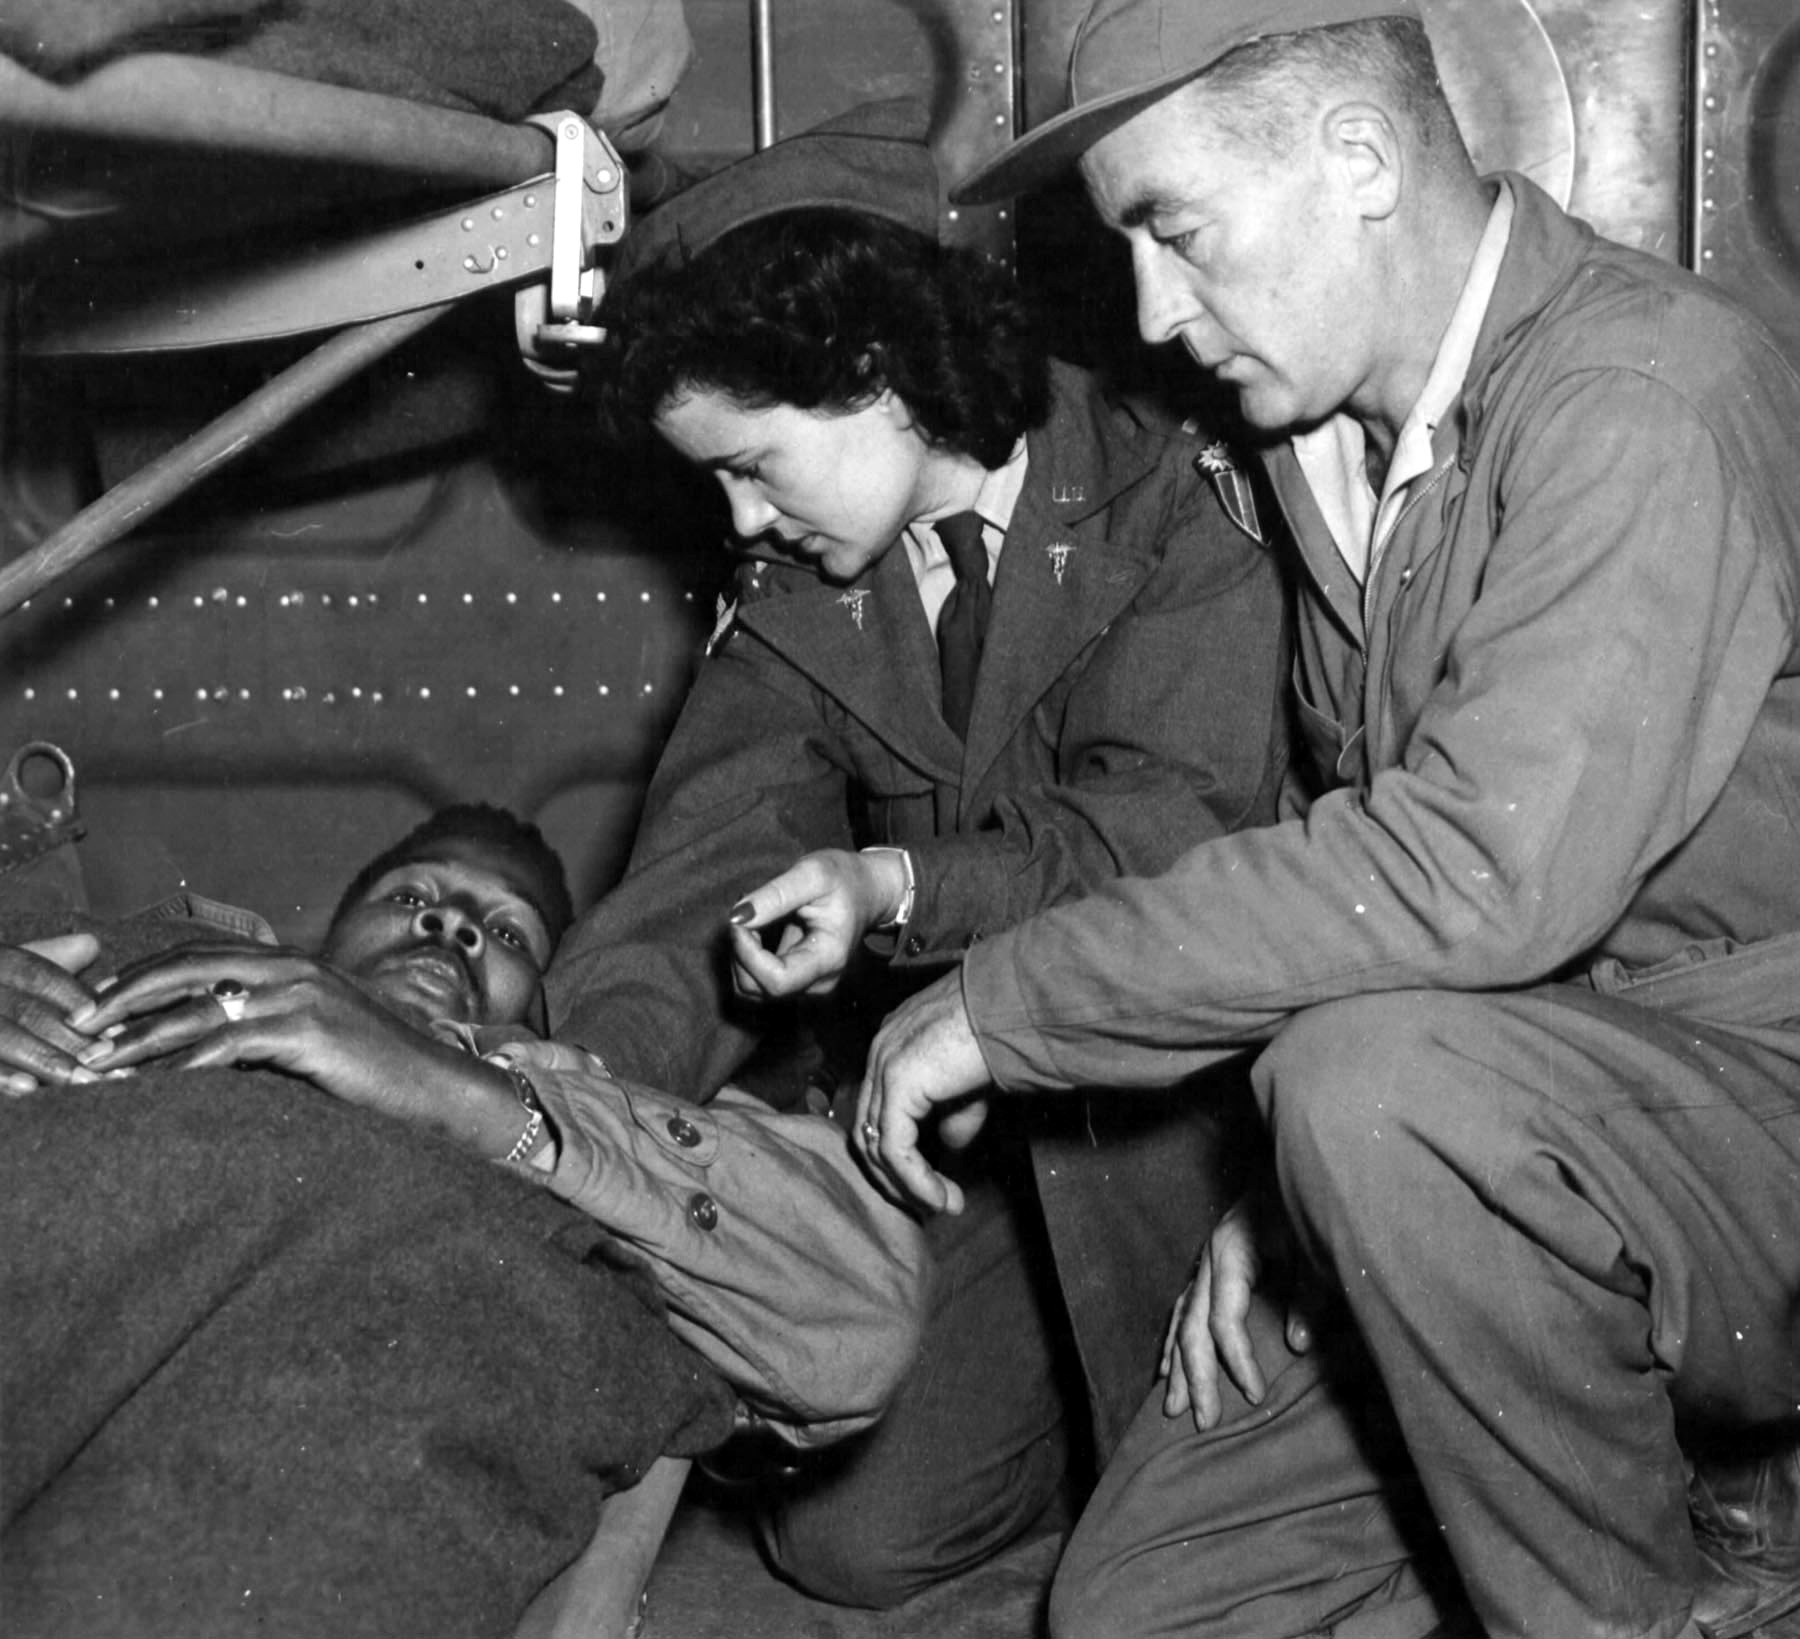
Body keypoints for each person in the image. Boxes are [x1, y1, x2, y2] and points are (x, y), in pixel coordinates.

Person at [851, 4, 1800, 1637]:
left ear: (1359, 156)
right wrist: (1290, 1195)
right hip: (1533, 1115)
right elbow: (1343, 860)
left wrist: (1007, 1001)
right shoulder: (1327, 445)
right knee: (1140, 1605)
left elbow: (1476, 876)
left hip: (1753, 1103)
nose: (1154, 309)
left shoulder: (1643, 395)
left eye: (1178, 232)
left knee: (1365, 1084)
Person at [544, 99, 1290, 1606]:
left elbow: (1160, 836)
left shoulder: (1169, 494)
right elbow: (701, 866)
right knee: (849, 1540)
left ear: (879, 377)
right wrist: (571, 1112)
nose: (739, 514)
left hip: (1209, 1143)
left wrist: (897, 888)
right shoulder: (809, 585)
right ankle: (1104, 1449)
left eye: (755, 462)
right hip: (1010, 1155)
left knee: (1181, 1581)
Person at [1, 802, 925, 1639]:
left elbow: (864, 1309)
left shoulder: (615, 1124)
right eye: (412, 894)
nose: (450, 924)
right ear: (325, 930)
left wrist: (475, 1098)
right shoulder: (148, 952)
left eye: (508, 931)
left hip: (316, 1453)